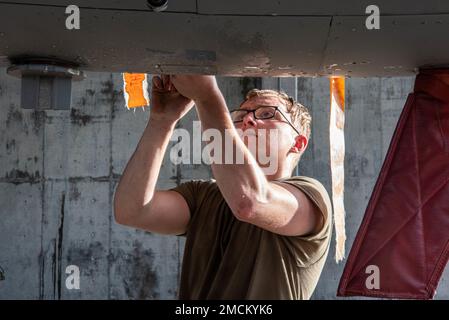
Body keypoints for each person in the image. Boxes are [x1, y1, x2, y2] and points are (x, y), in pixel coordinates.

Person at [113, 75, 333, 299]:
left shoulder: (311, 196)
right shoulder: (203, 195)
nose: (248, 120)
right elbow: (131, 211)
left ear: (298, 143)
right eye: (239, 116)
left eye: (267, 114)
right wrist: (162, 121)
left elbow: (249, 202)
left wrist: (207, 96)